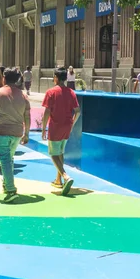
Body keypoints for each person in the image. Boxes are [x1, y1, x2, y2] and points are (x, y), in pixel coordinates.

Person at [0, 68, 31, 202]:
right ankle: (6, 184)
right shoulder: (23, 95)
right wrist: (26, 134)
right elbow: (27, 116)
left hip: (1, 132)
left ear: (4, 78)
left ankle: (10, 189)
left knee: (5, 160)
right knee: (9, 158)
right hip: (17, 133)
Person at [42, 67, 81, 196]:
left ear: (56, 78)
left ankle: (65, 176)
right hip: (67, 126)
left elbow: (47, 112)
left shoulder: (51, 92)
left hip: (55, 126)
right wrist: (72, 124)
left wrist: (43, 129)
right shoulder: (71, 92)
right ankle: (58, 180)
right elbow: (78, 111)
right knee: (60, 152)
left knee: (53, 153)